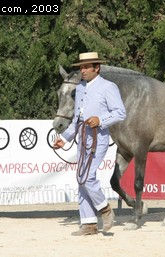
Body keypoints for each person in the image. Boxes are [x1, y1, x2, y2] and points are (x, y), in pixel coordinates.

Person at [53, 52, 126, 235]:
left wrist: (100, 120)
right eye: (81, 67)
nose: (82, 71)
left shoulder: (109, 87)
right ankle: (89, 224)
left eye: (86, 67)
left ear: (97, 68)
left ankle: (105, 210)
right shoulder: (81, 88)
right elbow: (78, 119)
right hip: (82, 139)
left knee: (87, 177)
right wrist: (65, 138)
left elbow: (120, 113)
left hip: (98, 139)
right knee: (80, 179)